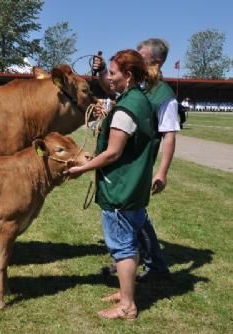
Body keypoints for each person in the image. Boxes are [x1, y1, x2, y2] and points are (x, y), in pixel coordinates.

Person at [68, 49, 155, 320]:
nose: (109, 78)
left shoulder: (126, 108)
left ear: (128, 76)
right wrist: (101, 68)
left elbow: (113, 153)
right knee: (130, 244)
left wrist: (82, 168)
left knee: (123, 249)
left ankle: (127, 305)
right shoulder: (140, 100)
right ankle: (125, 292)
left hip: (120, 188)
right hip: (135, 186)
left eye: (114, 73)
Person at [94, 38, 179, 282]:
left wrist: (162, 171)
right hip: (126, 159)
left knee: (129, 213)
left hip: (137, 162)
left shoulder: (163, 94)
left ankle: (139, 263)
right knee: (136, 215)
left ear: (156, 61)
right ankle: (140, 263)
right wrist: (102, 71)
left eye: (140, 56)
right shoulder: (140, 87)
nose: (136, 58)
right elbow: (111, 87)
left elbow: (169, 136)